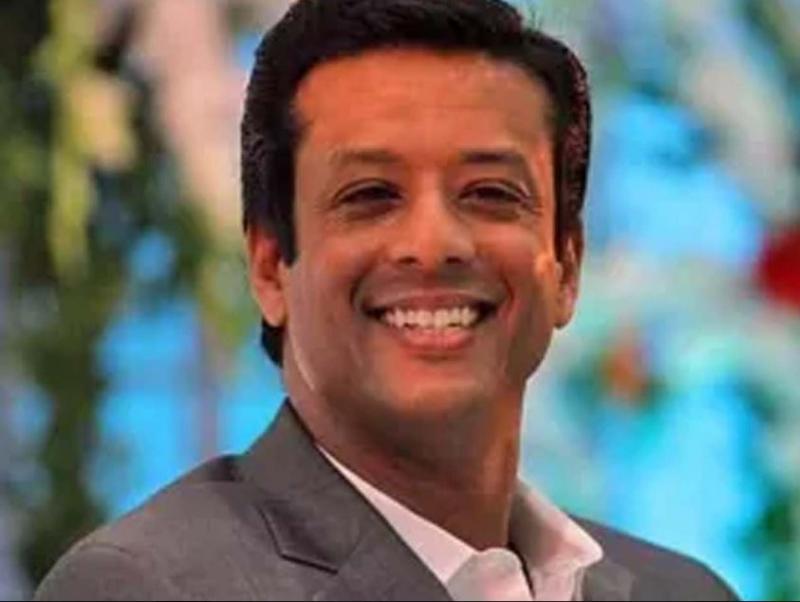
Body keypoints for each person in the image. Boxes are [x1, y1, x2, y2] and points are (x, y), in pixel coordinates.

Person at [36, 0, 739, 600]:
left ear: (567, 267)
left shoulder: (683, 592)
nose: (433, 245)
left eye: (490, 193)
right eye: (371, 195)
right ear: (271, 268)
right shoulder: (151, 586)